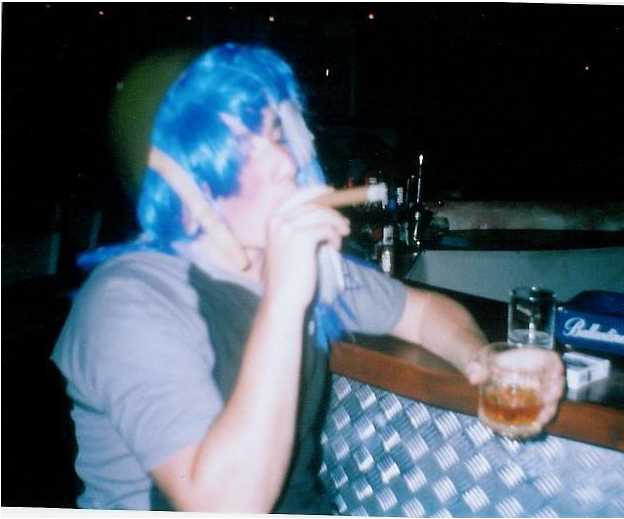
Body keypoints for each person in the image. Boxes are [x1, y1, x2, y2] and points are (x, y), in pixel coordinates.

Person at [51, 43, 564, 513]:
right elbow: (225, 506)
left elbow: (421, 312)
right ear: (177, 181)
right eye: (241, 146)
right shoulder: (127, 301)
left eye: (278, 135)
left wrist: (482, 360)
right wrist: (284, 299)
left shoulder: (303, 263)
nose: (283, 162)